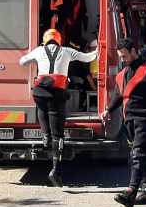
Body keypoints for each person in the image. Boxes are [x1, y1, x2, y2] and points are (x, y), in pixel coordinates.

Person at [19, 29, 97, 187]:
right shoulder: (67, 51)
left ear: (45, 40)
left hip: (40, 92)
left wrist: (34, 57)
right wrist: (98, 50)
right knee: (58, 133)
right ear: (59, 40)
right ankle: (55, 169)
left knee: (41, 109)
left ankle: (45, 135)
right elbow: (89, 58)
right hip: (57, 95)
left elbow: (22, 62)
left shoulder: (39, 50)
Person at [101, 38, 146, 207]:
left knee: (138, 154)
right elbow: (117, 95)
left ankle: (131, 192)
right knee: (139, 156)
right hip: (128, 119)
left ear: (133, 51)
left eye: (124, 56)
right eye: (120, 57)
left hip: (144, 118)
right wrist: (108, 110)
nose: (122, 59)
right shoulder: (122, 74)